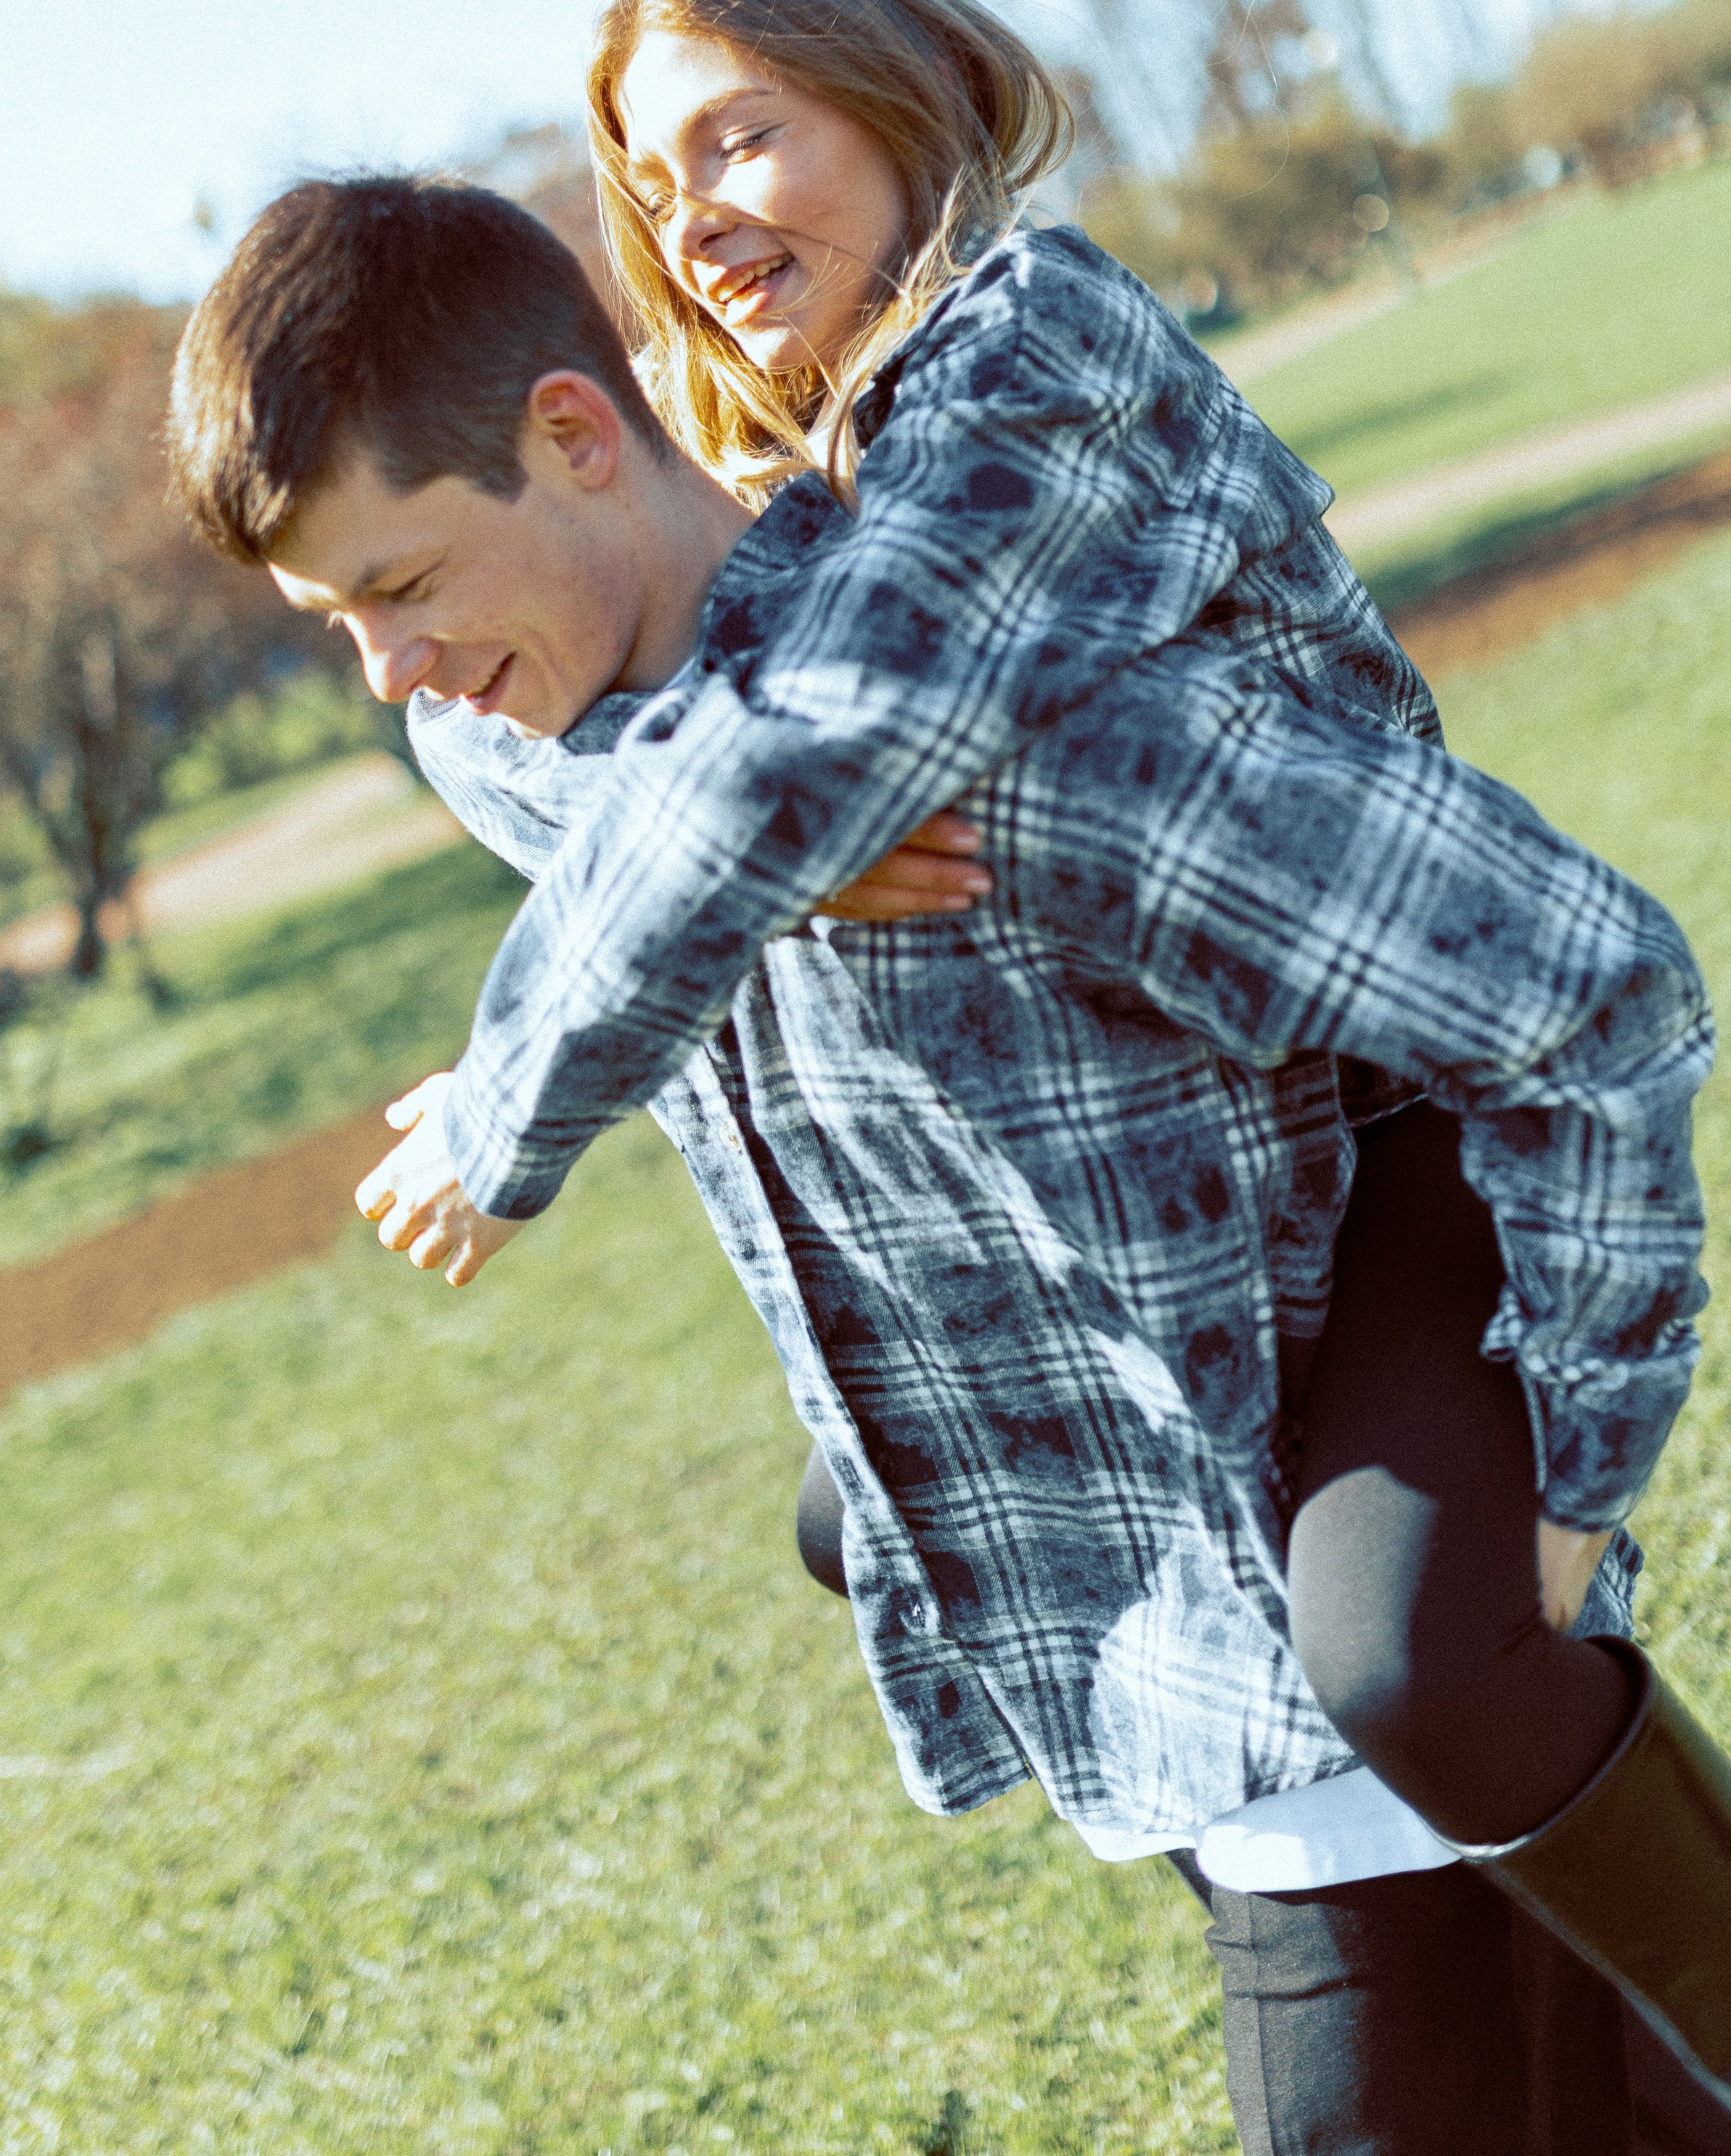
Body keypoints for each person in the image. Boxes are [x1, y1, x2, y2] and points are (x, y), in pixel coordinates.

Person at [167, 171, 1731, 2149]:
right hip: (1126, 1669)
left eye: (400, 589)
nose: (390, 678)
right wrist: (731, 829)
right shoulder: (533, 739)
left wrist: (1570, 1487)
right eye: (336, 627)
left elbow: (1581, 985)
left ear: (574, 433)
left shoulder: (1024, 747)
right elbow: (584, 785)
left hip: (1292, 1625)